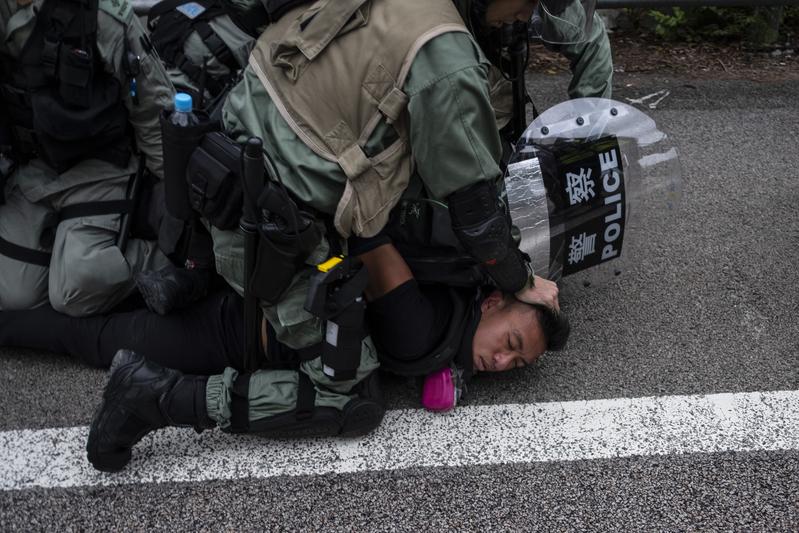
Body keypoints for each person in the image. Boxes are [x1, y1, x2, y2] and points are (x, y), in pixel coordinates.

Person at [0, 0, 175, 316]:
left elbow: (153, 107)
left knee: (76, 288)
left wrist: (174, 201)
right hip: (33, 170)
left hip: (100, 168)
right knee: (14, 293)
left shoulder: (102, 15)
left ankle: (161, 256)